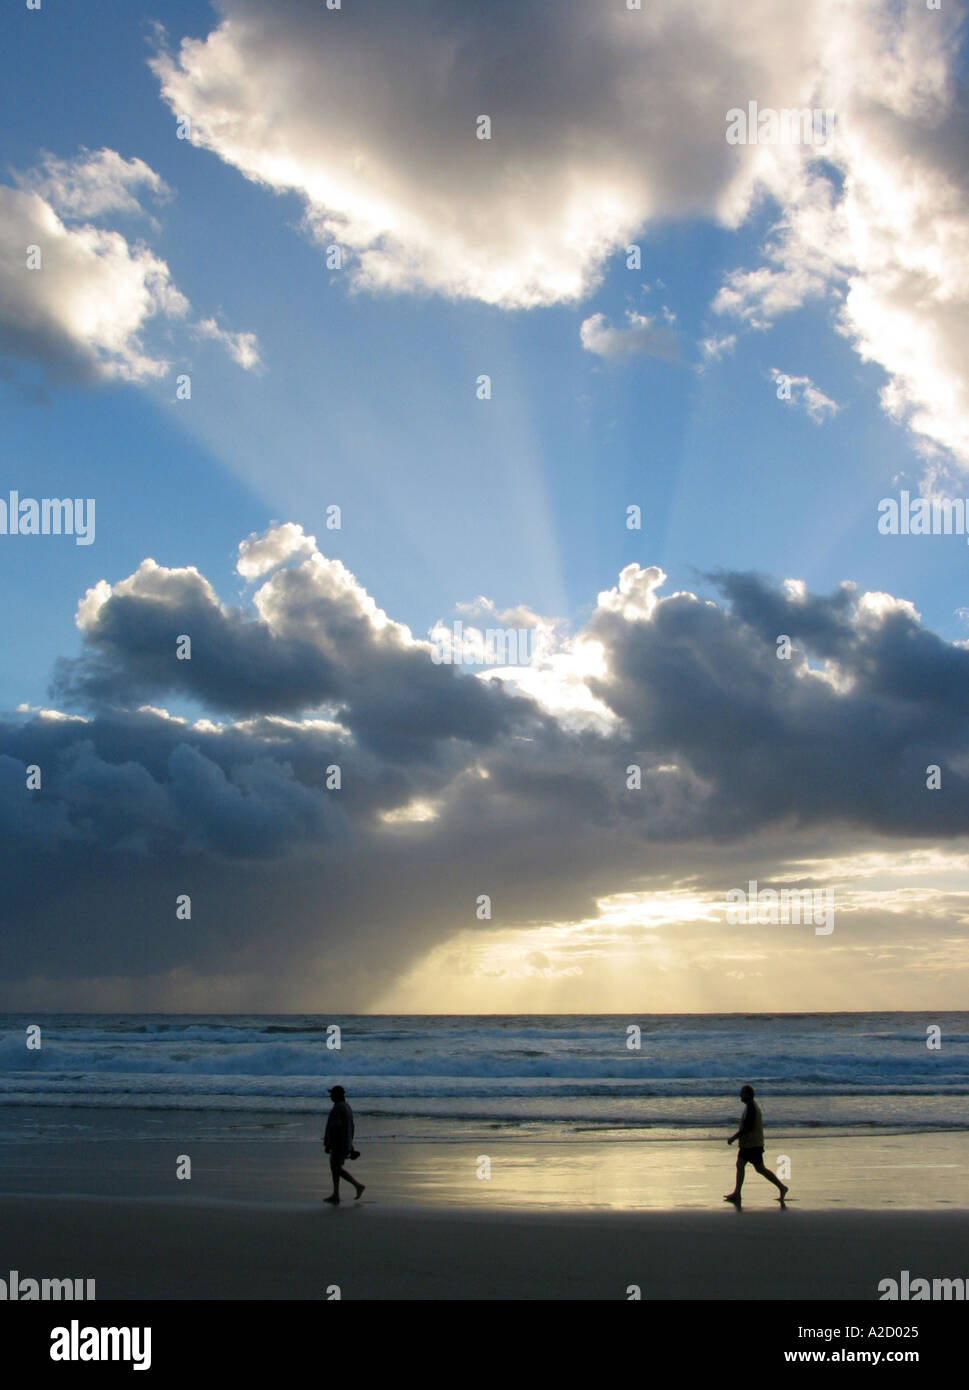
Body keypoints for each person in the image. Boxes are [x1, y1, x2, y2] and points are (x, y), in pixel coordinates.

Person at [723, 1084, 788, 1208]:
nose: (740, 1095)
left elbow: (746, 1128)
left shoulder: (752, 1108)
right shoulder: (750, 1106)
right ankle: (737, 1193)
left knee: (759, 1169)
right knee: (742, 1165)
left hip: (752, 1145)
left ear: (748, 1094)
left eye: (742, 1093)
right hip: (750, 1144)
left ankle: (782, 1187)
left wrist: (733, 1138)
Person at [323, 1084, 364, 1205]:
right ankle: (335, 1194)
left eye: (332, 1094)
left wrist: (329, 1144)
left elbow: (336, 1128)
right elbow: (351, 1127)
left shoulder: (338, 1108)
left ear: (337, 1095)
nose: (330, 1096)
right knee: (335, 1168)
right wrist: (350, 1145)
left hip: (338, 1143)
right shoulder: (346, 1106)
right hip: (345, 1142)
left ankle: (357, 1186)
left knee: (336, 1168)